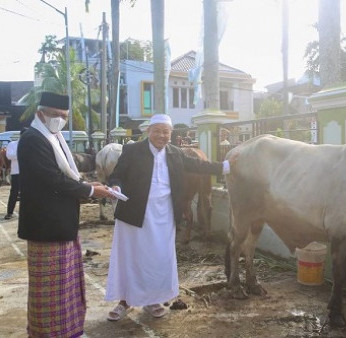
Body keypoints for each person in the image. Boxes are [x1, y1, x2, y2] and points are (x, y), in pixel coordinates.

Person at [105, 114, 231, 321]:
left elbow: (200, 166)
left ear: (171, 134)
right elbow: (117, 174)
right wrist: (116, 185)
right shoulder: (132, 150)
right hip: (134, 213)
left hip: (163, 215)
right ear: (149, 132)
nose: (162, 136)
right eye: (157, 131)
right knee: (131, 257)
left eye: (166, 132)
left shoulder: (176, 153)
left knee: (158, 258)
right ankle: (124, 301)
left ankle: (153, 300)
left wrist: (226, 166)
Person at [17, 91, 114, 337]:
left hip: (62, 225)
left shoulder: (54, 138)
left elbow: (71, 170)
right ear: (40, 114)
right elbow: (53, 179)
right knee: (49, 290)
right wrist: (92, 190)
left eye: (65, 116)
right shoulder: (33, 139)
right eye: (55, 115)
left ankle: (70, 329)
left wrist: (93, 183)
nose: (60, 120)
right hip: (46, 228)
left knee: (67, 285)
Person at [4, 128, 26, 220]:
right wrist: (21, 154)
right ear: (21, 135)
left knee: (27, 193)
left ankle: (26, 214)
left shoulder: (30, 145)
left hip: (28, 173)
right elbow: (9, 156)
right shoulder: (12, 144)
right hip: (16, 172)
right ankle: (9, 212)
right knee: (14, 193)